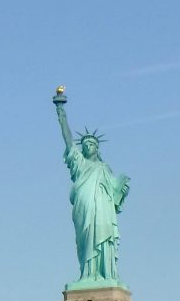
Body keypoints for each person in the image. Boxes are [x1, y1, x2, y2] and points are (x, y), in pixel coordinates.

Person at [54, 94, 130, 288]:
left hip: (103, 210)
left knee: (103, 238)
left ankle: (104, 274)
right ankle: (86, 274)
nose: (88, 147)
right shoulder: (79, 164)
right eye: (85, 145)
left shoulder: (104, 169)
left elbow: (115, 197)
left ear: (97, 148)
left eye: (91, 144)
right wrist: (61, 113)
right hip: (84, 207)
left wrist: (122, 188)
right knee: (86, 238)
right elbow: (69, 141)